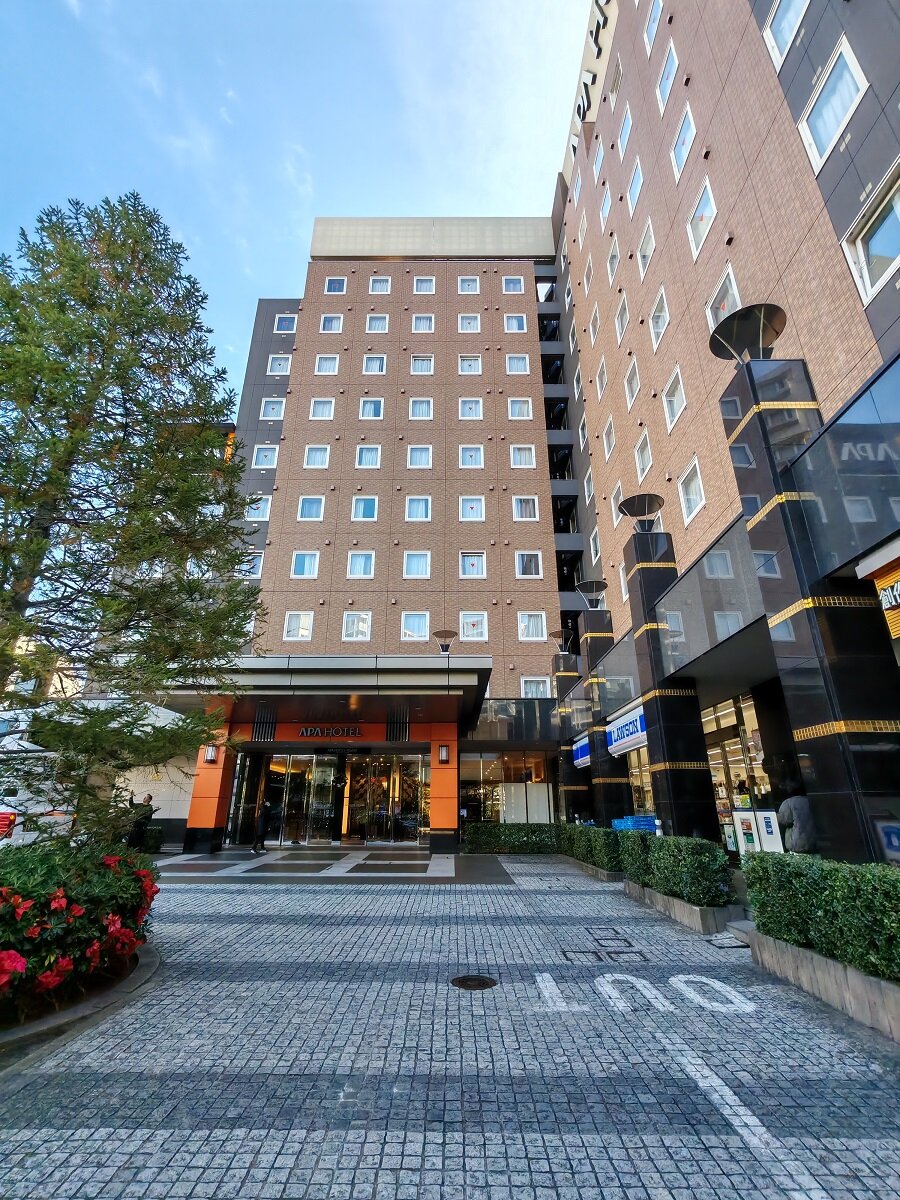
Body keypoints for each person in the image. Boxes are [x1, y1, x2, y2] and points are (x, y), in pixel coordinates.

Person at [777, 780, 817, 853]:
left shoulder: (789, 802)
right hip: (816, 842)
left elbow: (783, 820)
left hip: (797, 843)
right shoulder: (812, 800)